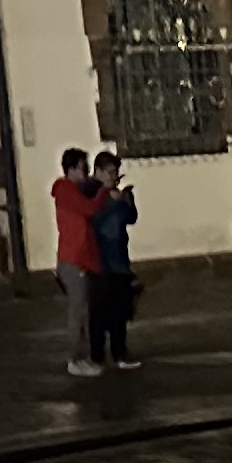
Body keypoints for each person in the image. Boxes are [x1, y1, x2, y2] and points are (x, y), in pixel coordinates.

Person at [50, 147, 105, 378]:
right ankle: (77, 358)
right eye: (83, 167)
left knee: (82, 310)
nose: (86, 172)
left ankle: (82, 356)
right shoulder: (65, 189)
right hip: (73, 259)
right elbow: (88, 209)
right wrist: (103, 190)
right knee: (79, 311)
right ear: (71, 169)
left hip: (77, 258)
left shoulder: (70, 190)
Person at [89, 153, 142, 370]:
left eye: (115, 173)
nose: (114, 177)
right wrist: (111, 202)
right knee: (100, 312)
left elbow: (130, 219)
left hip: (119, 259)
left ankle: (120, 351)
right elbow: (93, 220)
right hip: (100, 261)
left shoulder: (115, 195)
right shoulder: (91, 192)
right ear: (99, 172)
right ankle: (97, 355)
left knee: (120, 309)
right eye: (110, 172)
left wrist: (127, 201)